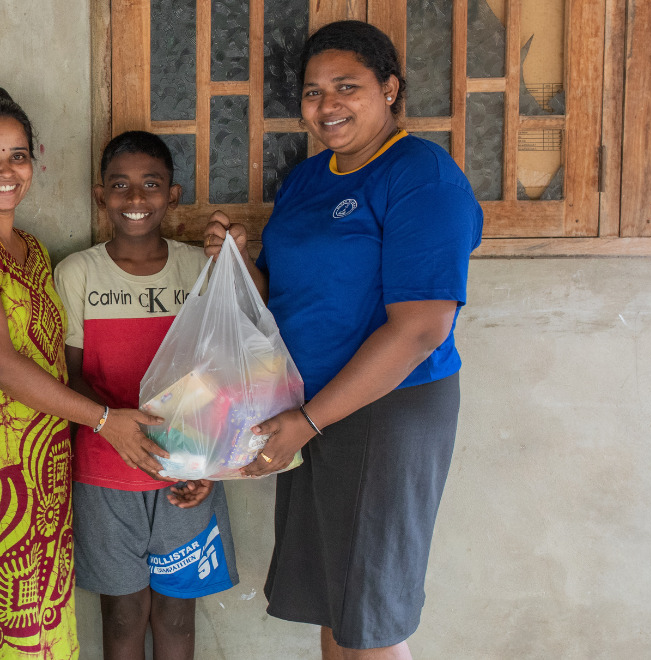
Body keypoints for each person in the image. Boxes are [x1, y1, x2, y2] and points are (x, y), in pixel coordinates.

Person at [205, 21, 483, 660]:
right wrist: (239, 265)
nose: (327, 105)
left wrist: (304, 422)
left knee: (373, 618)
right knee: (338, 604)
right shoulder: (307, 181)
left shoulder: (421, 177)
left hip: (385, 411)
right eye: (312, 91)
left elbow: (419, 328)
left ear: (390, 90)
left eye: (347, 87)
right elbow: (292, 302)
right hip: (312, 407)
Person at [0, 85, 164, 658]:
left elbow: (50, 356)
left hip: (38, 470)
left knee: (33, 623)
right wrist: (103, 420)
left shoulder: (30, 247)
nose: (6, 171)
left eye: (17, 155)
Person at [54, 130, 240, 660]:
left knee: (178, 616)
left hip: (188, 469)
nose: (136, 199)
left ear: (173, 195)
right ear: (100, 195)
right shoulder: (77, 273)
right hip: (104, 471)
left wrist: (205, 461)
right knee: (123, 615)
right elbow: (67, 375)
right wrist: (113, 424)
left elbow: (224, 370)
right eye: (121, 186)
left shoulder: (198, 270)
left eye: (151, 185)